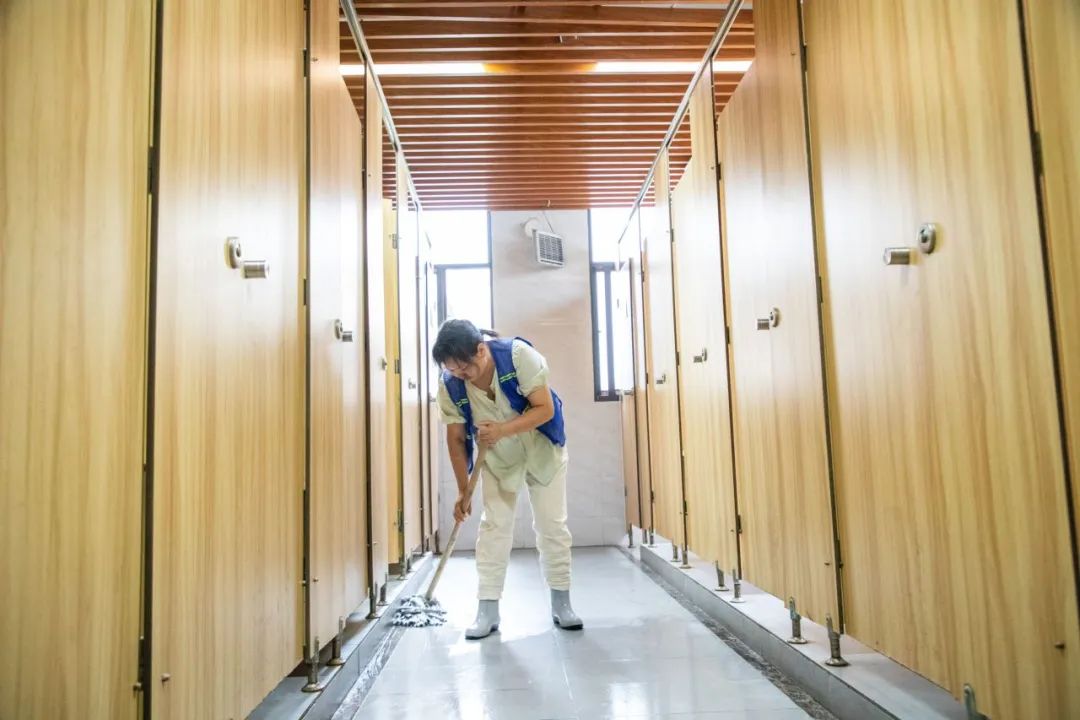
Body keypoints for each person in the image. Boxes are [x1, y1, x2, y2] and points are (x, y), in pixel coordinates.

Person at [433, 319, 583, 639]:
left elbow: (544, 409)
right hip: (499, 460)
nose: (460, 375)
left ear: (481, 350)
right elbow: (456, 439)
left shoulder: (518, 357)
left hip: (542, 448)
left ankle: (562, 602)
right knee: (494, 528)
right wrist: (463, 490)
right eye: (452, 370)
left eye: (464, 368)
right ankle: (487, 609)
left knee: (552, 525)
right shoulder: (450, 385)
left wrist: (501, 430)